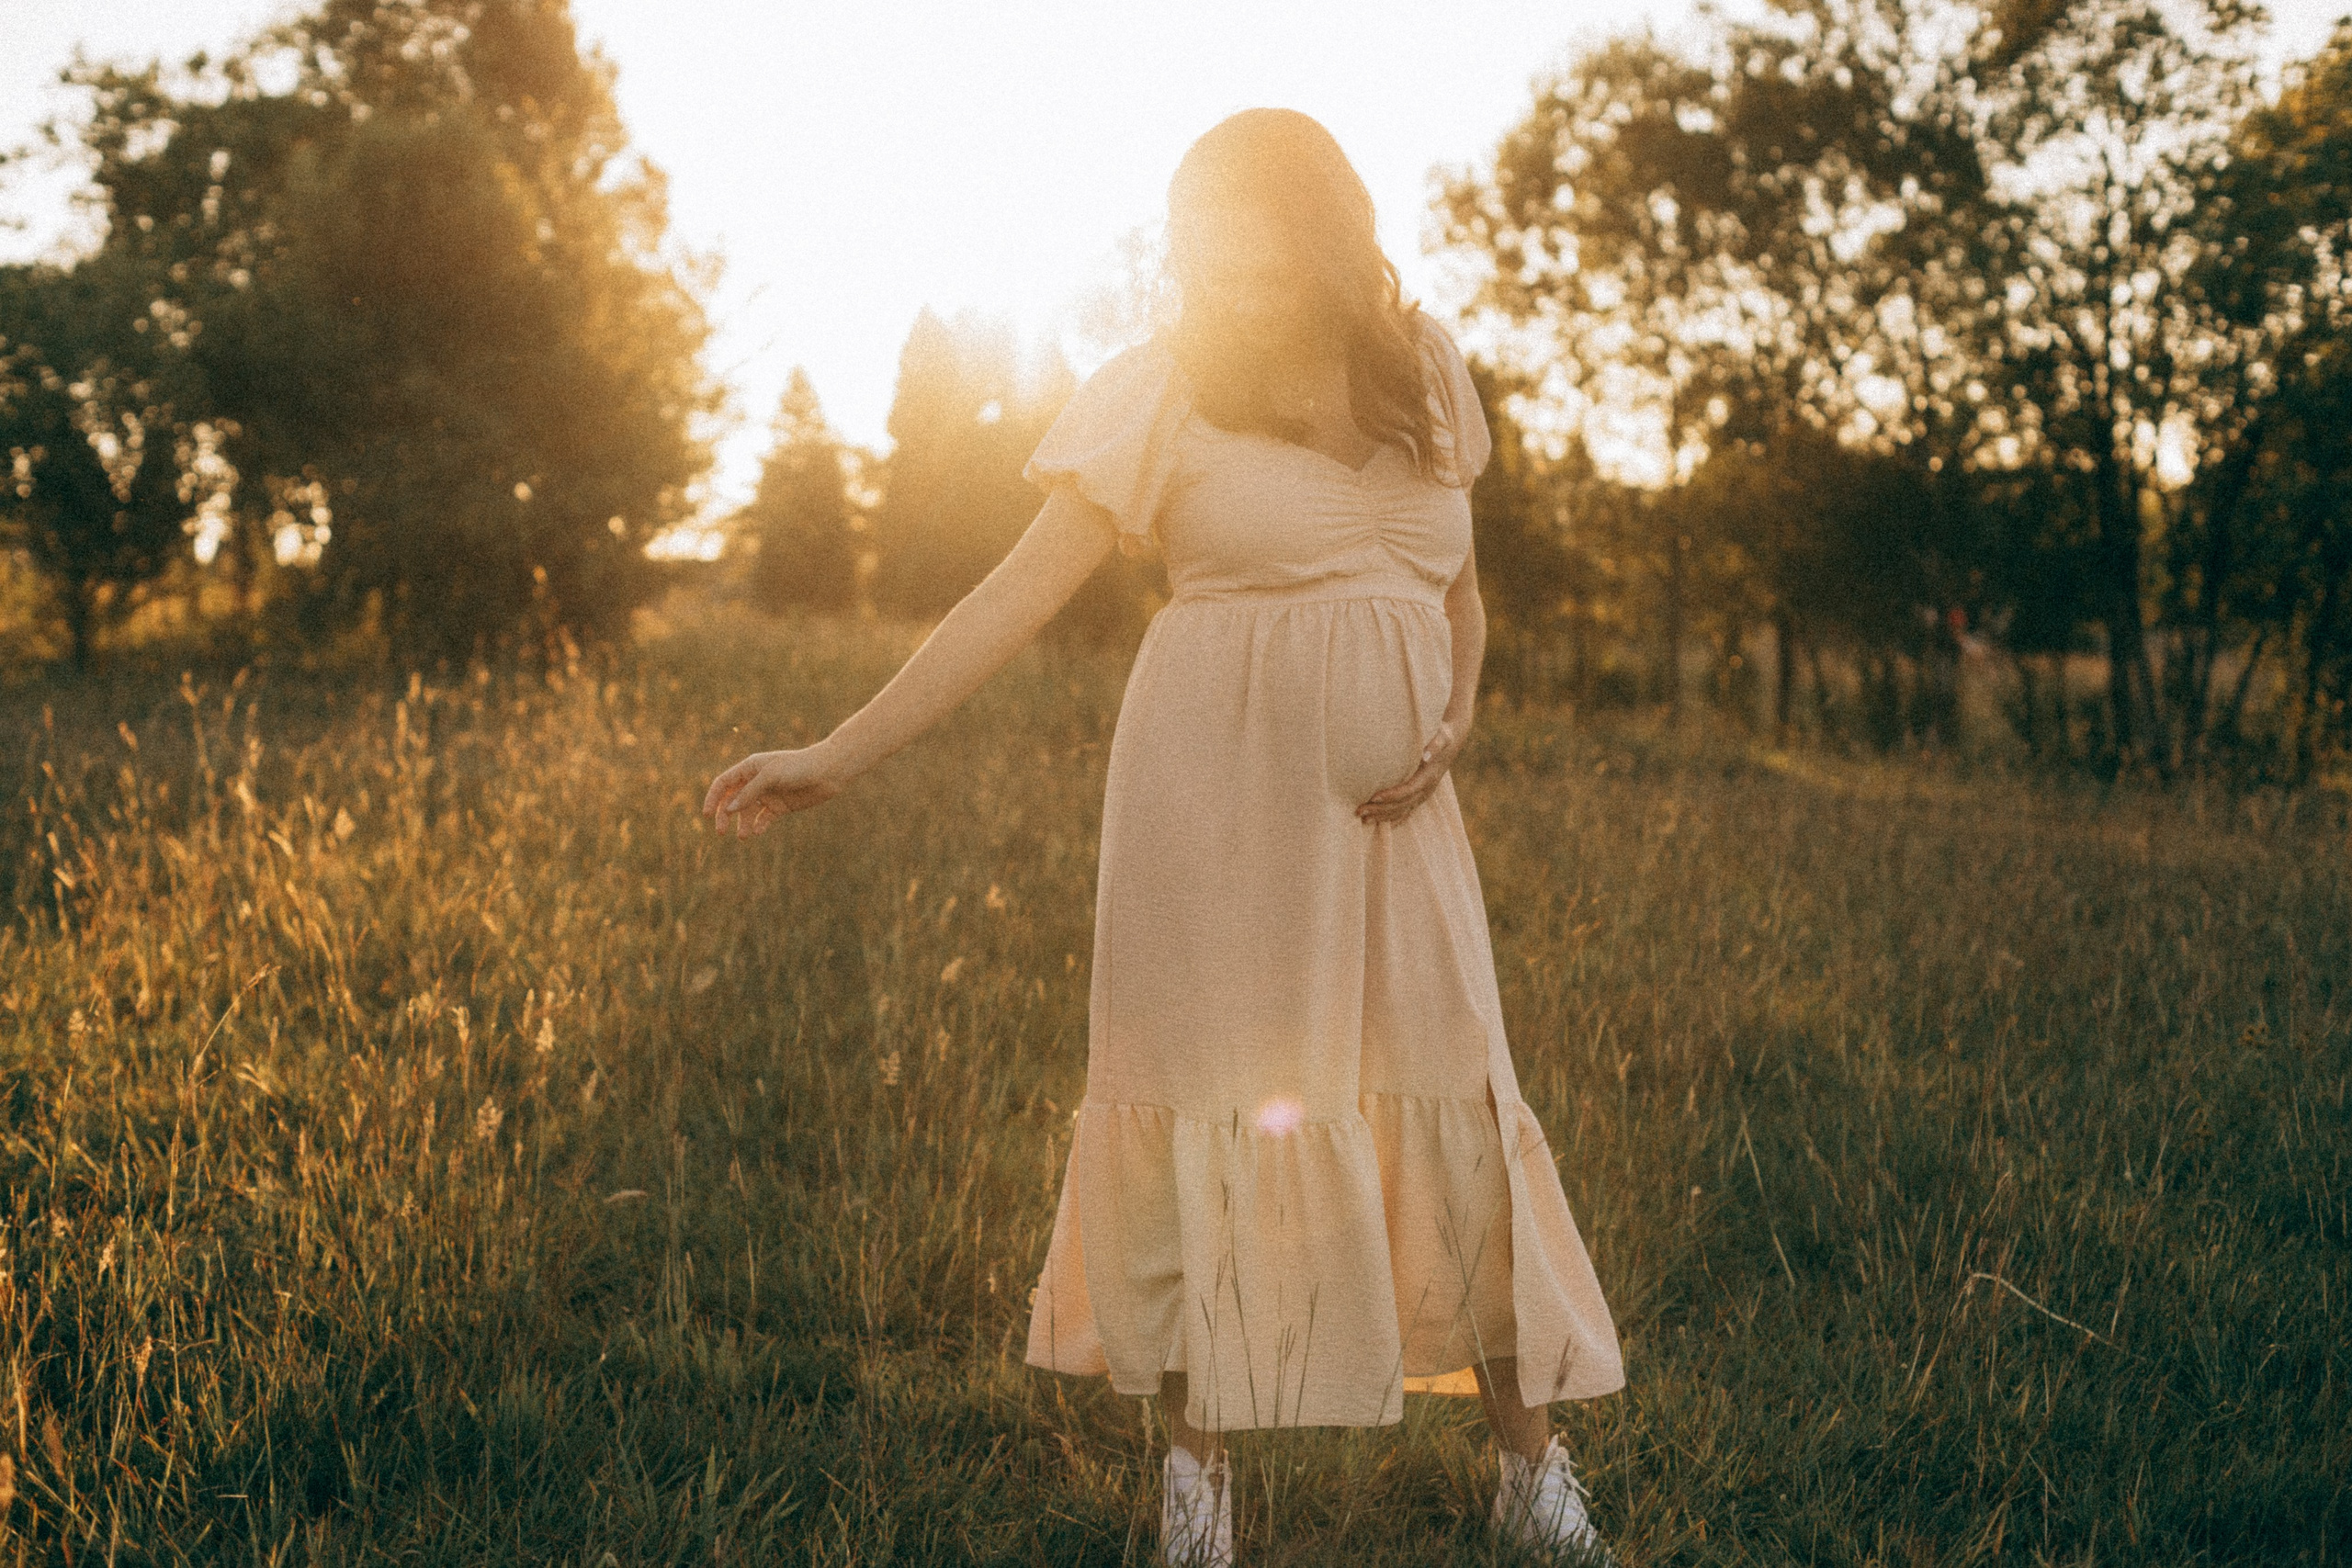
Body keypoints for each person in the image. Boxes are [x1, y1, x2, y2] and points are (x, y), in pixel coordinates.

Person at [701, 107, 1623, 1568]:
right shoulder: (1162, 393)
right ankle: (1200, 1487)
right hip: (1217, 807)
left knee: (1454, 1099)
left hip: (1401, 825)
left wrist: (1457, 711)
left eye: (1256, 258)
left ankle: (1530, 1470)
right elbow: (1010, 598)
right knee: (1224, 1103)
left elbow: (1454, 585)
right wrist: (837, 753)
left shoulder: (1428, 371)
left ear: (1327, 238)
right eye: (1206, 260)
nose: (1229, 288)